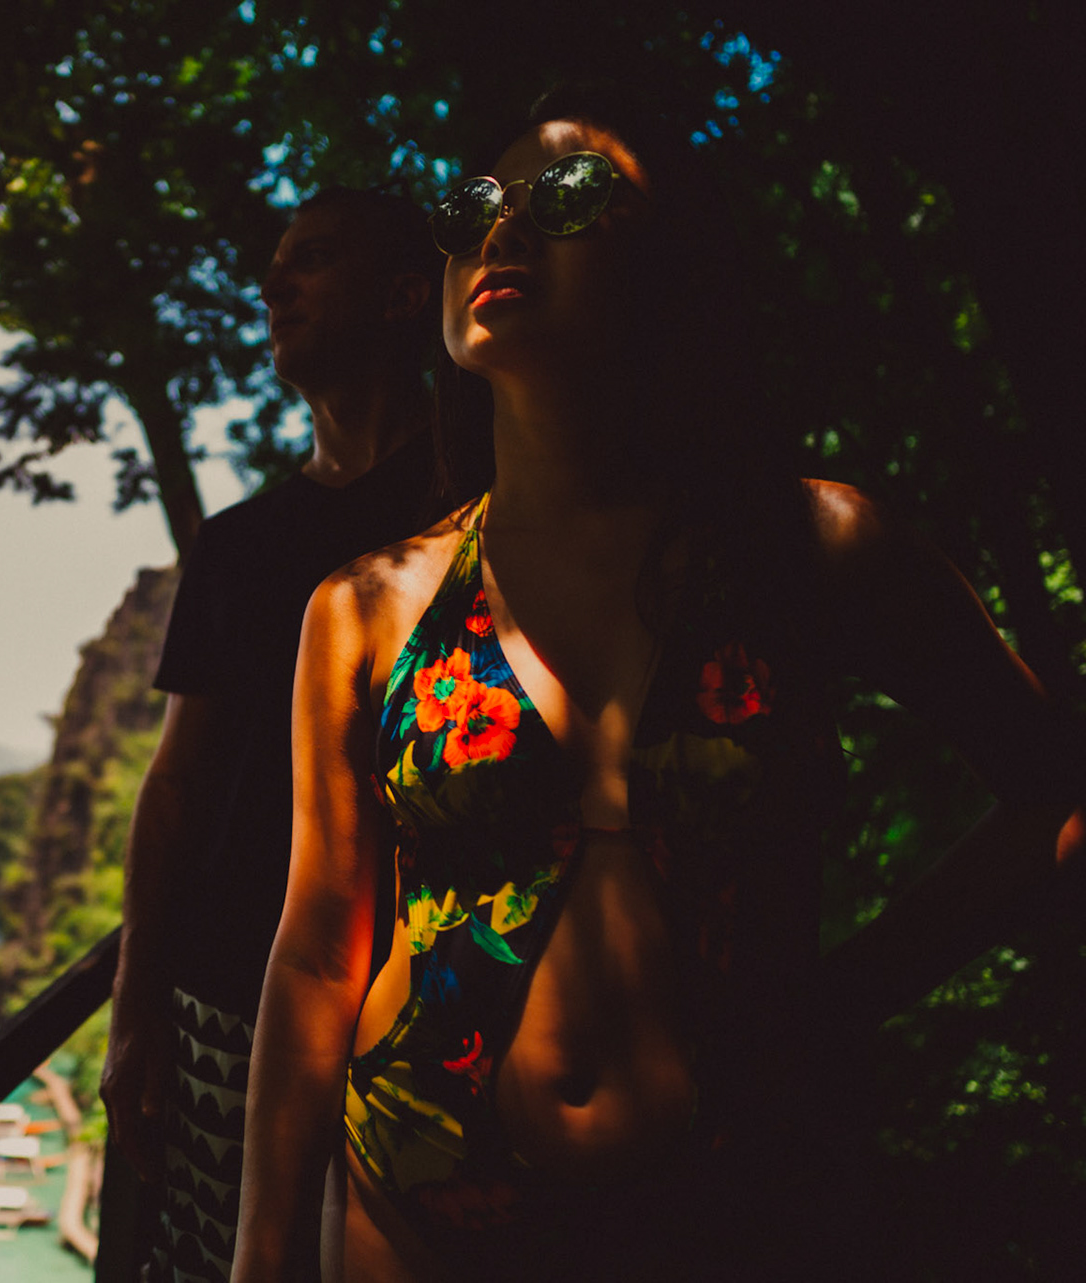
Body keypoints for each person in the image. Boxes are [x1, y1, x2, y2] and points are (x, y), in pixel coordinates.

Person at [230, 84, 1086, 1283]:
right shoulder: (365, 606)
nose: (502, 230)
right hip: (414, 1204)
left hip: (736, 1206)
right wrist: (259, 1256)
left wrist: (853, 999)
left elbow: (1054, 791)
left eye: (569, 194)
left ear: (669, 266)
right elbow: (319, 952)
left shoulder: (811, 549)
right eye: (475, 205)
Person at [101, 188, 449, 1283]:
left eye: (314, 259)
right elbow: (181, 782)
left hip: (435, 1006)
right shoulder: (240, 546)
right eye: (273, 264)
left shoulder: (483, 512)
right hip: (227, 1001)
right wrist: (135, 1002)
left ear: (404, 294)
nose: (274, 282)